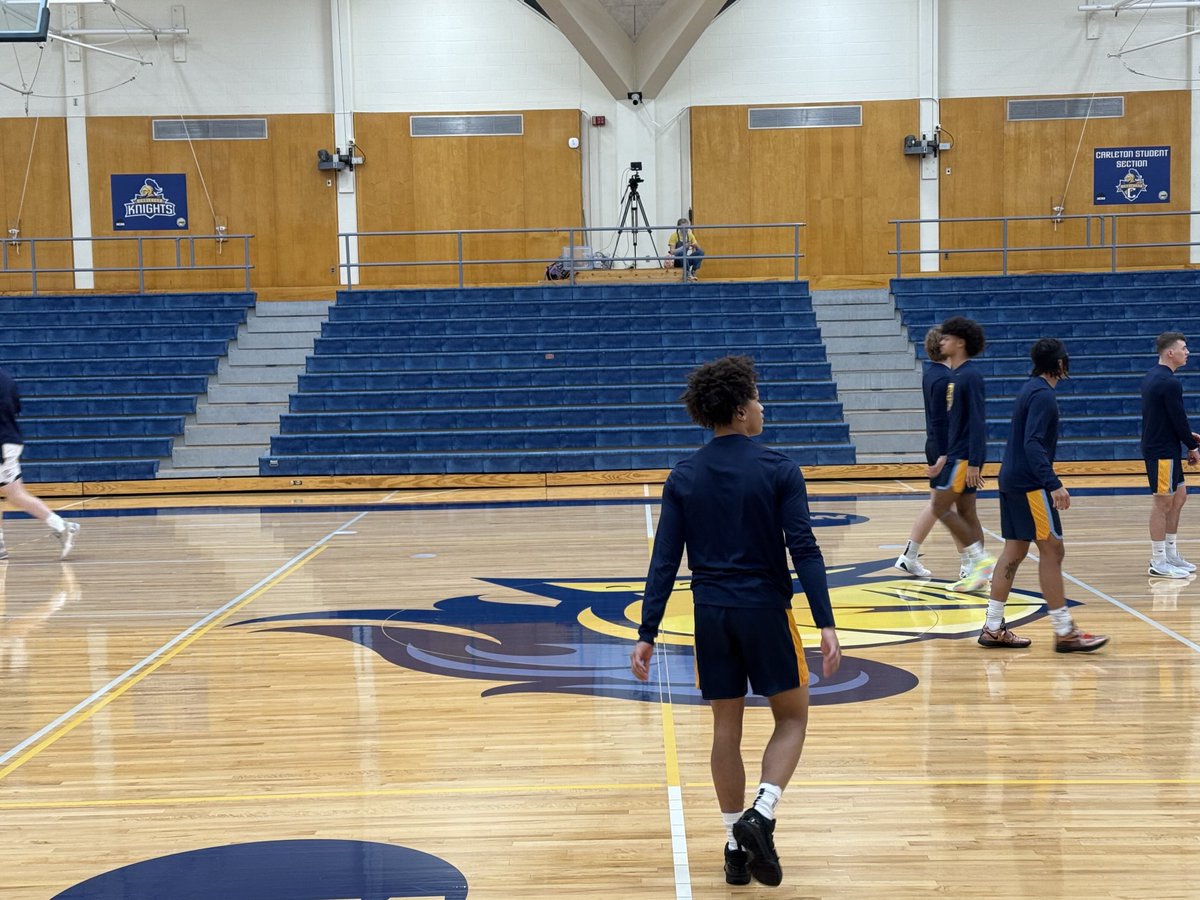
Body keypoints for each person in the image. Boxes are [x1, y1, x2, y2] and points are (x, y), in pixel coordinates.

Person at [629, 355, 841, 888]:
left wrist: (647, 632)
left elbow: (664, 561)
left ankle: (733, 847)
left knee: (726, 728)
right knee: (792, 719)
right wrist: (826, 621)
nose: (763, 407)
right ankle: (761, 813)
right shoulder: (779, 469)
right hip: (766, 610)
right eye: (758, 399)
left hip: (711, 616)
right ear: (742, 410)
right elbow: (804, 549)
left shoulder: (684, 476)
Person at [978, 339, 1109, 652]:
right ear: (1060, 364)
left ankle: (993, 627)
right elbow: (1033, 443)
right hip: (1029, 484)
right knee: (1052, 550)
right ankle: (1065, 631)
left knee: (1014, 551)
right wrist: (1053, 483)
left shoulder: (1030, 389)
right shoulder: (1043, 396)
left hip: (1011, 479)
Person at [911, 316, 994, 591]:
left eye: (946, 338)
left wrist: (975, 463)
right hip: (956, 455)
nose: (941, 342)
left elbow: (977, 422)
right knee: (967, 511)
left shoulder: (969, 376)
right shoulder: (956, 376)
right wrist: (943, 457)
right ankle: (979, 574)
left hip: (964, 458)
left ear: (960, 343)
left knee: (939, 506)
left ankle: (980, 562)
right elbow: (956, 424)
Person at [895, 326, 968, 579]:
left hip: (937, 445)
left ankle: (910, 556)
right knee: (950, 506)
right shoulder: (945, 379)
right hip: (944, 447)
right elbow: (941, 420)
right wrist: (946, 453)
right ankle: (968, 565)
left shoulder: (932, 374)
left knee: (940, 505)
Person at [0, 367, 81, 560]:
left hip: (2, 443)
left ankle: (62, 526)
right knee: (12, 493)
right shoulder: (6, 378)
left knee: (15, 494)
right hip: (10, 439)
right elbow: (16, 408)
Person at [1140, 331, 1200, 579]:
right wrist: (1192, 446)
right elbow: (1178, 418)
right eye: (1184, 348)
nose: (1188, 352)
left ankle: (1171, 554)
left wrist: (1186, 437)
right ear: (1170, 352)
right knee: (1163, 502)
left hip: (1167, 447)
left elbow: (1166, 417)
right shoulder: (1168, 382)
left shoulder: (1154, 376)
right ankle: (1158, 560)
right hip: (1161, 451)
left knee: (1179, 497)